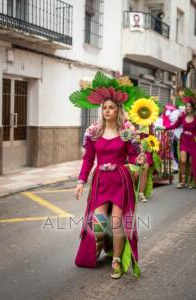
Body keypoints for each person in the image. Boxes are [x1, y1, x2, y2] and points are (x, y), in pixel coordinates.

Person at [70, 74, 146, 279]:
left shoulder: (126, 133)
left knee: (116, 222)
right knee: (98, 223)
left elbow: (133, 156)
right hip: (100, 181)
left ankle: (117, 260)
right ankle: (101, 242)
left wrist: (138, 160)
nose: (107, 110)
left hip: (121, 181)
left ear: (118, 110)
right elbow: (88, 159)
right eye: (104, 108)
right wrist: (80, 181)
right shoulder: (93, 132)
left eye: (111, 107)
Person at [164, 100, 196, 188]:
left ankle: (189, 181)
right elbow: (175, 125)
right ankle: (182, 181)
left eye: (190, 106)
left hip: (193, 141)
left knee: (190, 162)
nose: (188, 108)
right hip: (184, 140)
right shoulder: (182, 117)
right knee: (183, 160)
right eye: (187, 106)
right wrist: (165, 128)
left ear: (193, 108)